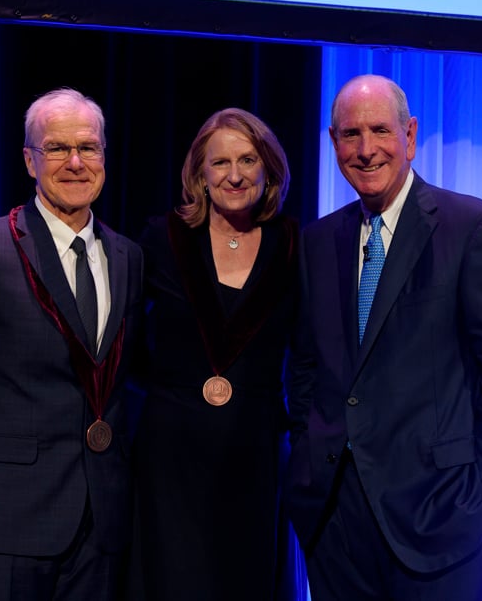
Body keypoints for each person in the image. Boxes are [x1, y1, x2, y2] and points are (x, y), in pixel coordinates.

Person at [285, 74, 482, 601]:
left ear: (410, 135)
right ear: (333, 142)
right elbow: (307, 368)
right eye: (351, 134)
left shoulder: (473, 228)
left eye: (380, 130)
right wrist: (307, 460)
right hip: (336, 523)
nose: (366, 149)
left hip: (443, 517)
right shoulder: (318, 241)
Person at [0, 88, 143, 599]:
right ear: (29, 160)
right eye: (57, 148)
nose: (76, 162)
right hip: (4, 525)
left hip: (100, 525)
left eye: (89, 147)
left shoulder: (127, 256)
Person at [130, 108, 302, 601]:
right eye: (220, 162)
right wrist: (172, 392)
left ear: (269, 168)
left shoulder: (293, 244)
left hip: (256, 452)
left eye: (248, 160)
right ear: (199, 174)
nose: (234, 175)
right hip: (172, 454)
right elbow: (125, 340)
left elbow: (309, 349)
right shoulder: (163, 238)